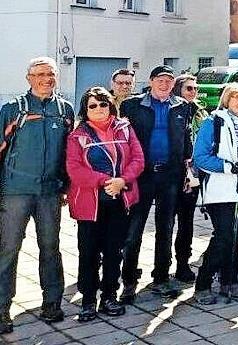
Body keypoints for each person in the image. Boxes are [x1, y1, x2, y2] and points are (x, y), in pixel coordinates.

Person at [0, 57, 74, 333]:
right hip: (15, 192)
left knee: (51, 248)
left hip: (49, 193)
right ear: (29, 78)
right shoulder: (13, 109)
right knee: (7, 250)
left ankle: (52, 303)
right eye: (40, 74)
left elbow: (69, 154)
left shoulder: (64, 110)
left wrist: (66, 187)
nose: (46, 79)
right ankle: (2, 309)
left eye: (51, 74)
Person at [66, 87, 144, 321]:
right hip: (90, 204)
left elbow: (138, 159)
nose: (99, 109)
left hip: (120, 200)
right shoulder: (77, 135)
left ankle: (109, 295)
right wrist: (104, 181)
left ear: (111, 105)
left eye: (103, 104)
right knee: (88, 252)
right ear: (85, 109)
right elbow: (74, 169)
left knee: (114, 252)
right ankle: (88, 300)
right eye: (93, 105)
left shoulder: (125, 128)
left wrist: (122, 180)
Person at [120, 65, 192, 304]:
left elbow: (186, 138)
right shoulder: (132, 105)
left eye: (169, 81)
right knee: (134, 230)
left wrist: (186, 170)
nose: (164, 84)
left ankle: (161, 277)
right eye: (160, 80)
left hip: (170, 176)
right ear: (151, 82)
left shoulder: (181, 106)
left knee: (166, 228)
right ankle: (129, 281)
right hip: (141, 175)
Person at [192, 83, 238, 303]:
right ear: (226, 99)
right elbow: (200, 157)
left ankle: (229, 279)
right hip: (222, 190)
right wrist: (228, 167)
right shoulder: (213, 122)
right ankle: (203, 283)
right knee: (224, 236)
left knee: (237, 235)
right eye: (236, 97)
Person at [169, 74, 209, 282]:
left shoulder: (200, 112)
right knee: (167, 223)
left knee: (187, 222)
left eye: (195, 89)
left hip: (193, 174)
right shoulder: (172, 111)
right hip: (173, 174)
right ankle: (163, 265)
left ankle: (183, 263)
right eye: (188, 89)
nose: (193, 92)